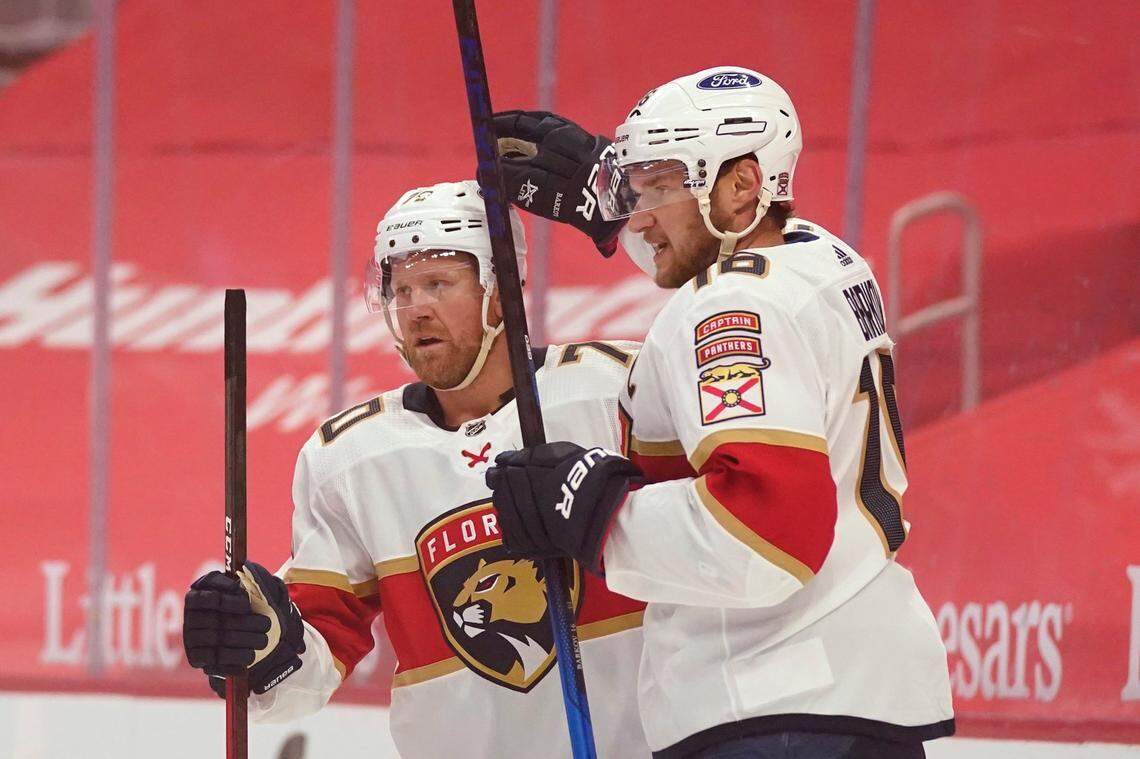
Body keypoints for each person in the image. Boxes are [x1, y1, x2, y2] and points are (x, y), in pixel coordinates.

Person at [487, 66, 955, 758]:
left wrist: (592, 510)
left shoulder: (730, 307)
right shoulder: (827, 260)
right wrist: (620, 195)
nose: (638, 212)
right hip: (850, 695)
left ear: (742, 185)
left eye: (663, 183)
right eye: (637, 183)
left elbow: (767, 533)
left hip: (772, 706)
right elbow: (737, 257)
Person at [182, 180, 650, 758]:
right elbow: (313, 663)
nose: (416, 307)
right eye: (399, 289)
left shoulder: (618, 388)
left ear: (500, 291)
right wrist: (262, 648)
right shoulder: (351, 455)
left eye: (437, 283)